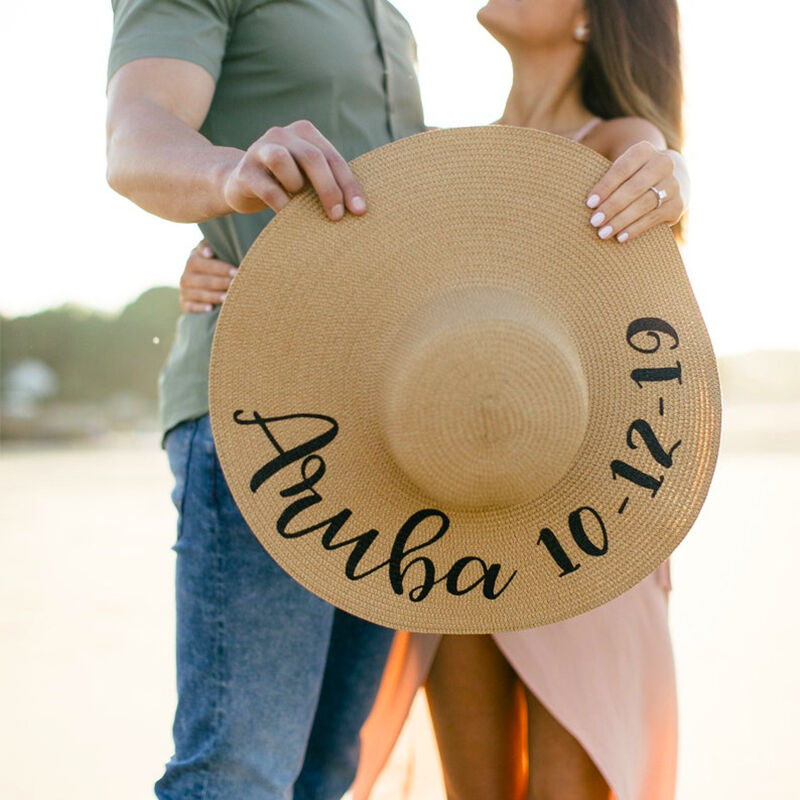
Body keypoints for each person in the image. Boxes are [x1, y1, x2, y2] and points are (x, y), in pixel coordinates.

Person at [108, 1, 689, 799]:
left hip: (566, 502)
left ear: (595, 16)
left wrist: (675, 171)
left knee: (321, 770)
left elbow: (652, 174)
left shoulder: (417, 51)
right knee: (251, 766)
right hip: (414, 479)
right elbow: (139, 134)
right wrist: (222, 218)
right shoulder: (461, 157)